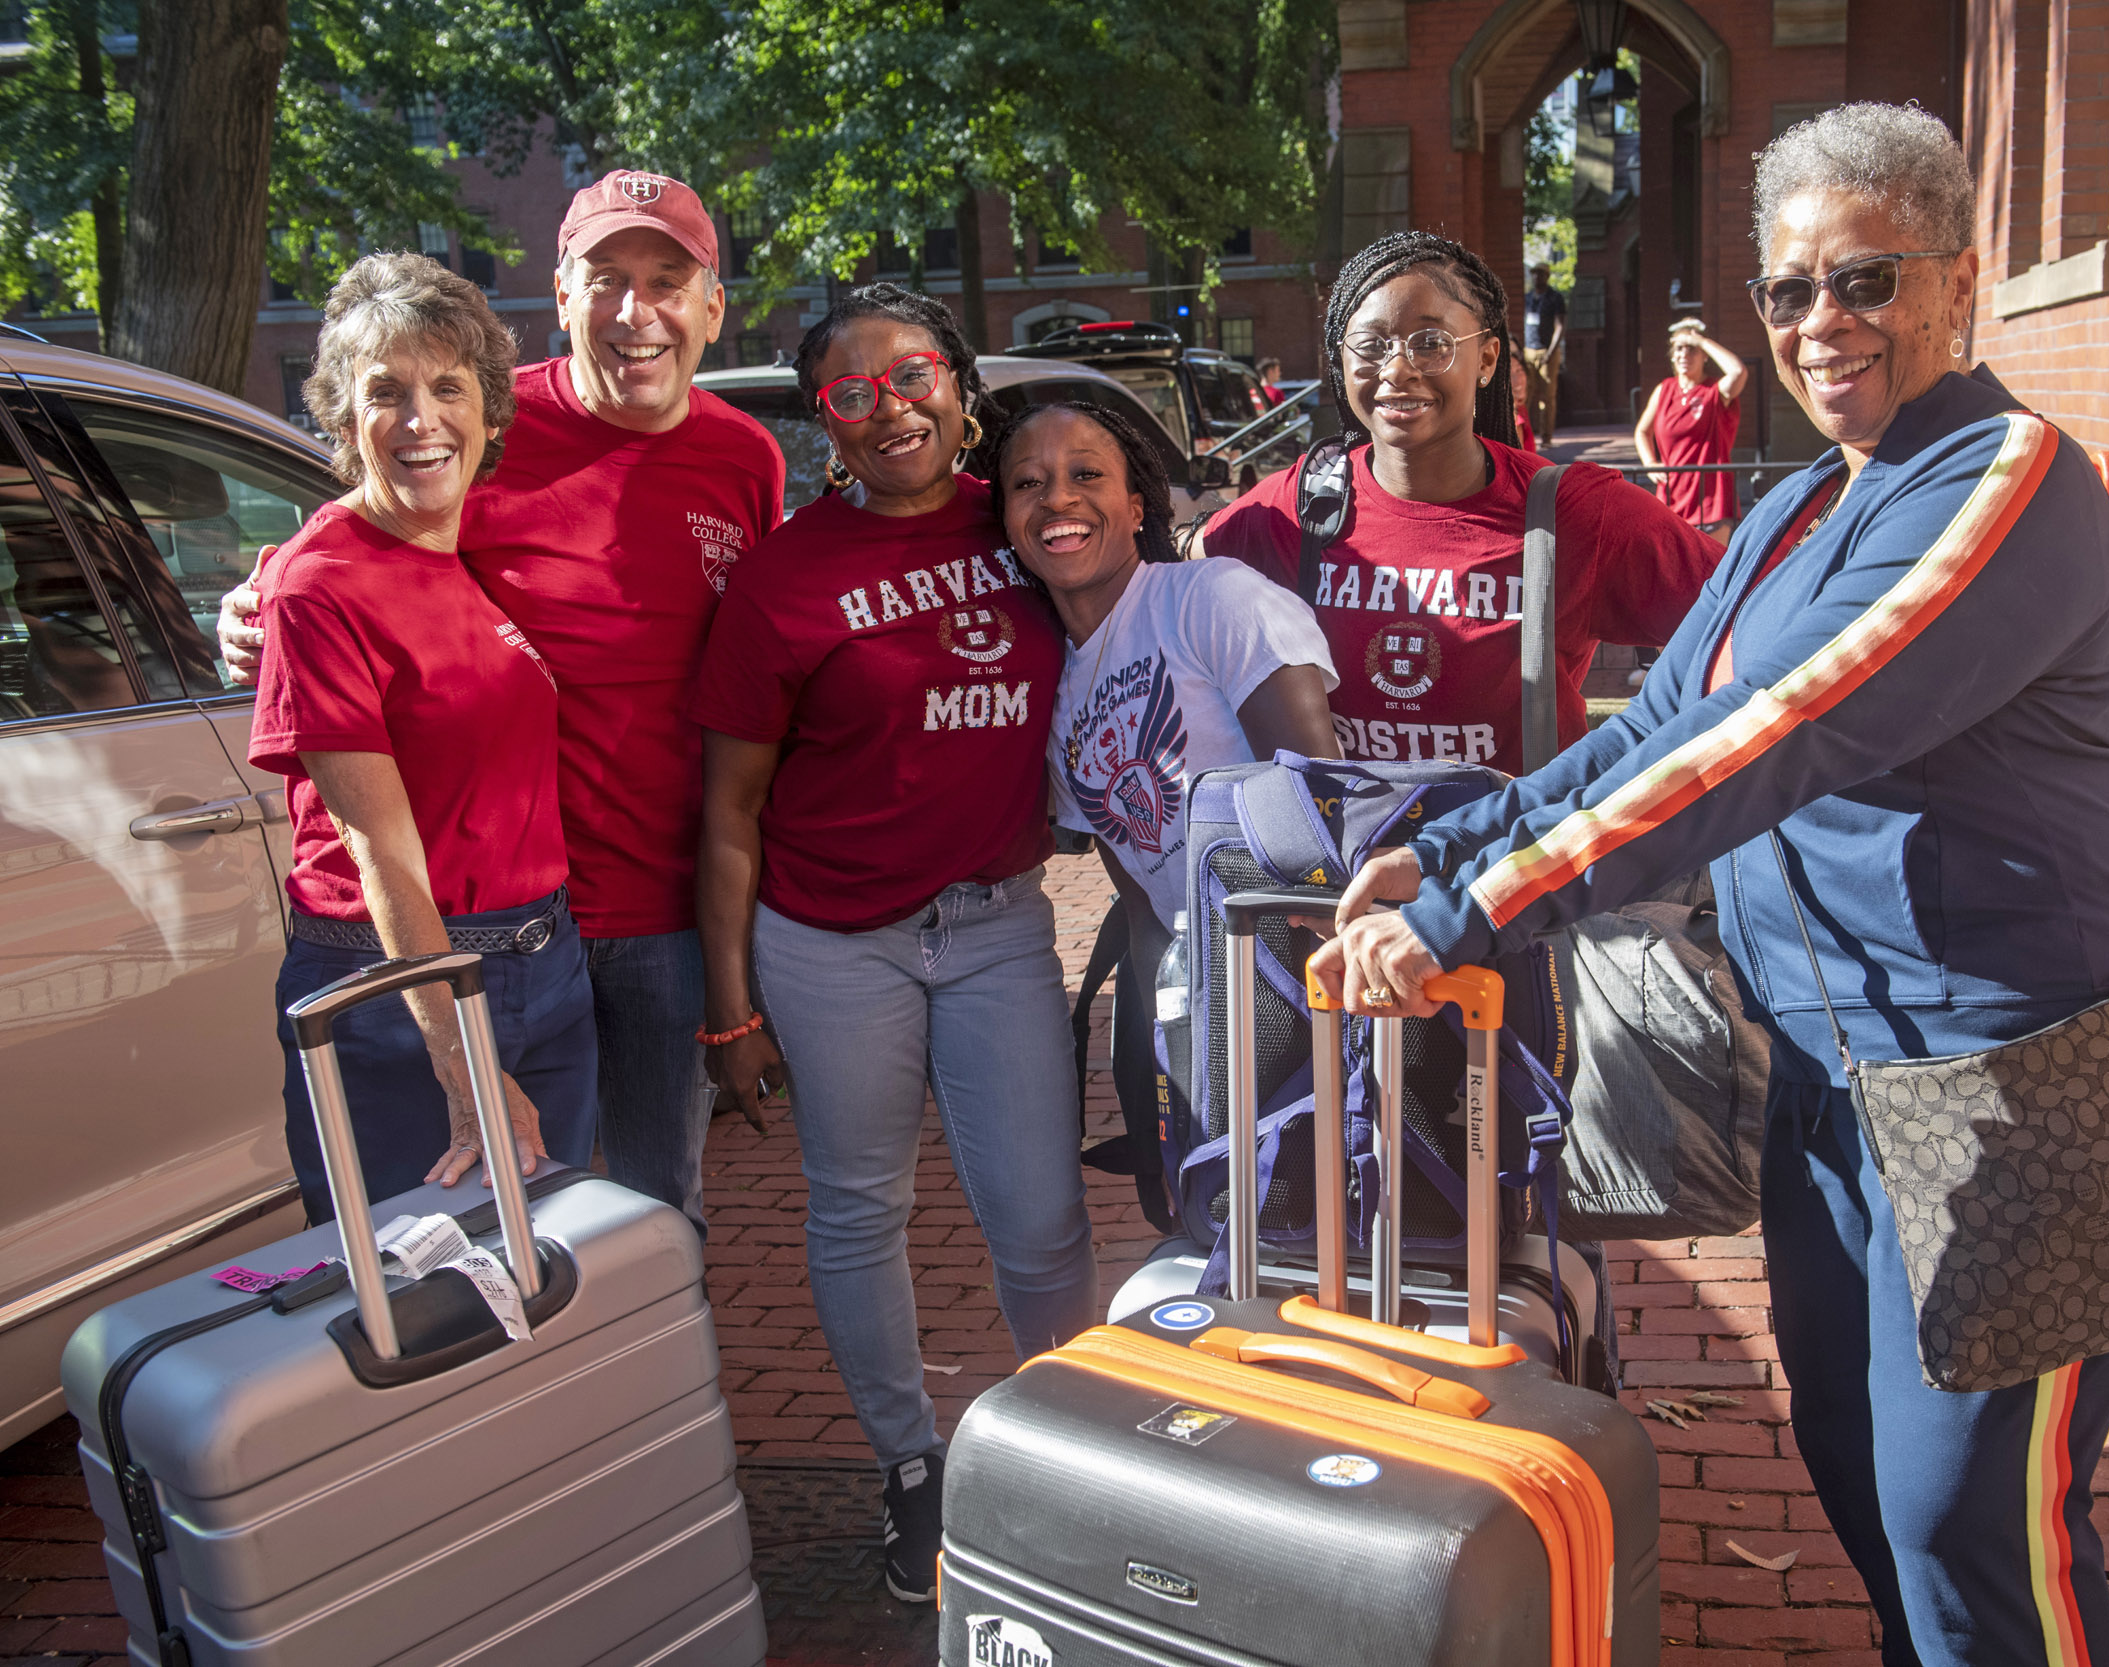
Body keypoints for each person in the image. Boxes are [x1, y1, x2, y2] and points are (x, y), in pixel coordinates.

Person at [1310, 103, 2109, 1667]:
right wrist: (1450, 843)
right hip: (1834, 1079)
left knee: (1974, 1523)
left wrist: (1472, 915)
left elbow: (1789, 731)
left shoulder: (2010, 476)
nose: (1824, 324)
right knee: (1855, 1468)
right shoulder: (1803, 504)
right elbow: (1659, 724)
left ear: (1961, 283)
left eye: (1867, 281)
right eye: (1789, 292)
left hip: (2019, 1083)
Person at [221, 170, 784, 1239]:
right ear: (561, 296)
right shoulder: (489, 418)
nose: (636, 310)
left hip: (651, 914)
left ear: (713, 305)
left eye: (667, 280)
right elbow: (365, 527)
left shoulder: (743, 457)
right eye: (606, 278)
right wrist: (257, 596)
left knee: (650, 1220)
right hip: (481, 922)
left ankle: (636, 1400)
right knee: (457, 1244)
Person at [689, 283, 1095, 1607]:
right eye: (850, 394)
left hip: (994, 927)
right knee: (862, 1205)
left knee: (1037, 1215)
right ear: (826, 423)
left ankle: (1064, 1450)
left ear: (958, 385)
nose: (888, 408)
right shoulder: (782, 577)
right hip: (831, 943)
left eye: (910, 374)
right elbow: (732, 807)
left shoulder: (1030, 514)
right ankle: (912, 1462)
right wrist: (732, 1006)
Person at [248, 252, 590, 1224]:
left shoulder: (469, 549)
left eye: (447, 386)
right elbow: (381, 853)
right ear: (343, 418)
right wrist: (460, 1051)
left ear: (488, 407)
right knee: (424, 1302)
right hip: (400, 988)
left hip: (542, 960)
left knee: (550, 1274)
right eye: (384, 391)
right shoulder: (323, 582)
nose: (419, 419)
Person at [1197, 232, 1719, 776]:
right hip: (1350, 855)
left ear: (1487, 358)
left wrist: (1633, 766)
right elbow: (1163, 567)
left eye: (1430, 343)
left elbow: (1760, 615)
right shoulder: (1299, 507)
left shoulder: (1573, 512)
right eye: (1370, 346)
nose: (1397, 370)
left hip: (1511, 855)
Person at [997, 397, 1338, 962]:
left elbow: (1322, 806)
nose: (1057, 497)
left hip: (1307, 966)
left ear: (1136, 509)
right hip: (1204, 987)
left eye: (1086, 473)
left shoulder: (1214, 599)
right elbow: (1146, 910)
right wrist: (1161, 1035)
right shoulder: (1056, 697)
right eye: (1028, 483)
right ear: (1008, 523)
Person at [1635, 319, 1749, 538]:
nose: (1684, 354)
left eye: (1692, 349)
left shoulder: (1715, 391)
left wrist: (1701, 340)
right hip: (1671, 497)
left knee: (1711, 569)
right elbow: (1642, 431)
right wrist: (1650, 464)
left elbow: (1737, 371)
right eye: (1679, 348)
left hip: (1711, 500)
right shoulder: (1664, 390)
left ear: (1704, 355)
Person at [1519, 261, 1568, 444]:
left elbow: (1560, 325)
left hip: (1547, 352)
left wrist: (1551, 351)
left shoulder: (1555, 298)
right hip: (1529, 350)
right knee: (1526, 395)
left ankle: (1546, 437)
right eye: (1534, 273)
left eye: (1540, 273)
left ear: (1547, 276)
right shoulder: (1528, 298)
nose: (1536, 277)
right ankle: (1525, 436)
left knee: (1548, 396)